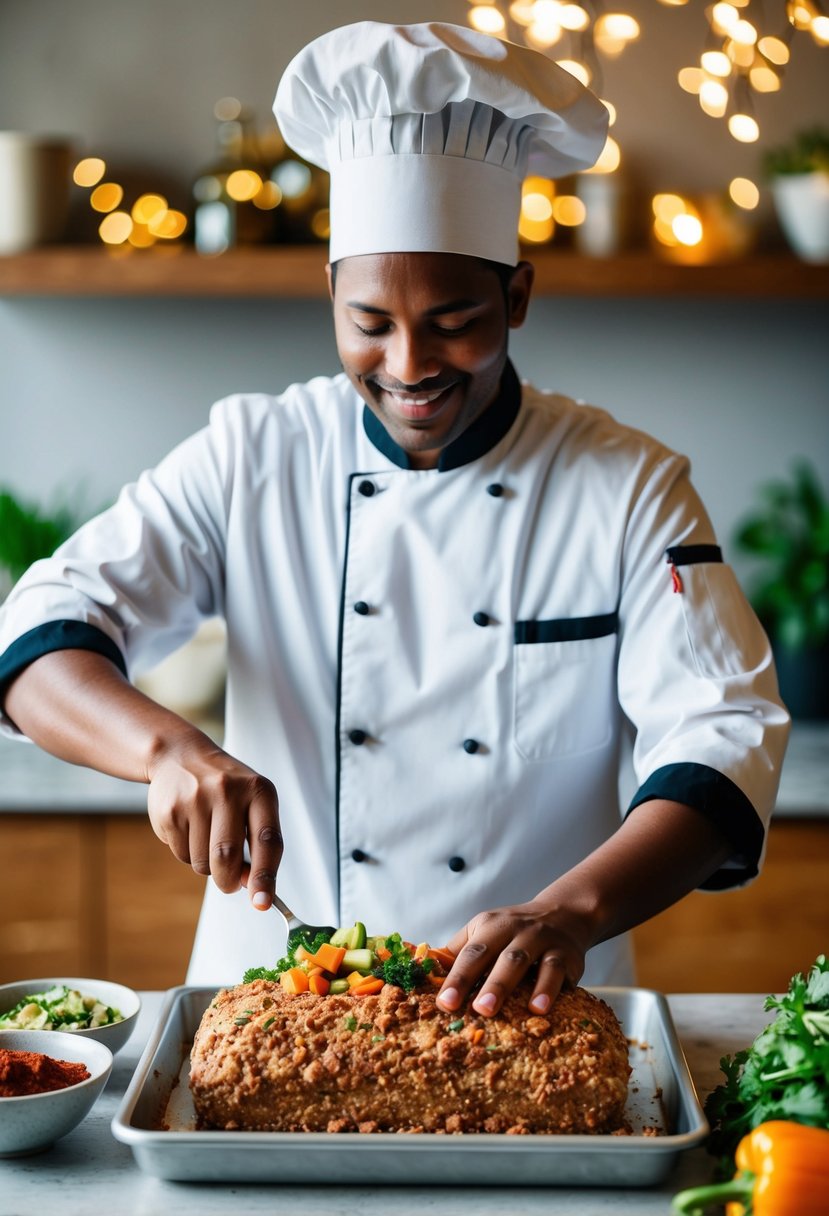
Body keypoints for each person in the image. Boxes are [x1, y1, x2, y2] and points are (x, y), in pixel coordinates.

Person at [0, 21, 788, 1015]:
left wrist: (574, 911)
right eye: (369, 325)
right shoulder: (254, 453)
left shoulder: (626, 484)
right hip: (273, 1002)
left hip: (520, 1009)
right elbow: (38, 635)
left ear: (518, 297)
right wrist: (168, 751)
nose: (410, 365)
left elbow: (725, 734)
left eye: (454, 323)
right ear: (330, 294)